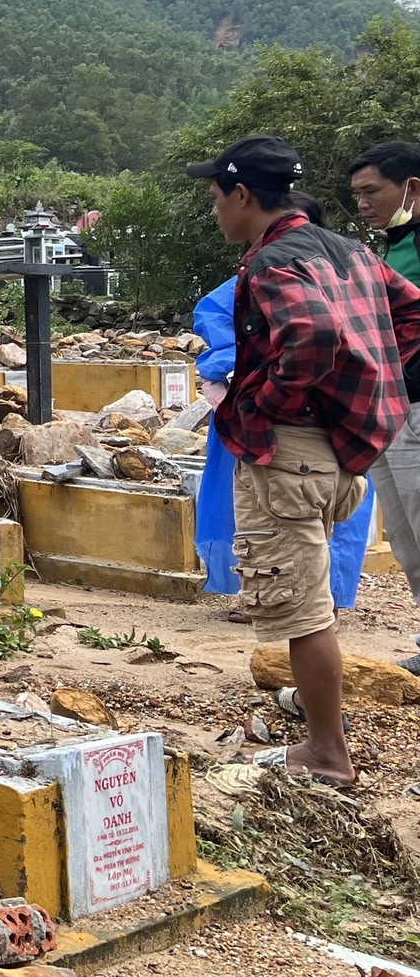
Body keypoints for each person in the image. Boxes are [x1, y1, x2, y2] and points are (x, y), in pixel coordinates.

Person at [187, 135, 420, 785]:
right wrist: (370, 379)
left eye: (215, 199)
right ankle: (323, 724)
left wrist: (263, 402)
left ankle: (327, 753)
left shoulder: (270, 264)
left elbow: (311, 336)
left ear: (242, 195)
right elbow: (411, 311)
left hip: (291, 452)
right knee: (309, 596)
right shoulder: (349, 250)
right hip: (340, 456)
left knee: (302, 611)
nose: (214, 213)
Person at [191, 199, 377, 615]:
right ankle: (303, 598)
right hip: (339, 420)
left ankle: (289, 605)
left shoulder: (271, 270)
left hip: (282, 423)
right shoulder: (356, 269)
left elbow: (303, 341)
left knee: (275, 515)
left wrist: (267, 397)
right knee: (320, 517)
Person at [347, 141, 420, 671]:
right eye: (357, 195)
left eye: (372, 191)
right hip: (390, 408)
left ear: (412, 188)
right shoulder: (392, 248)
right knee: (406, 537)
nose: (364, 204)